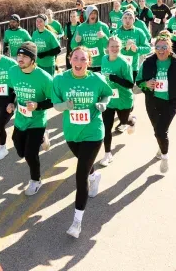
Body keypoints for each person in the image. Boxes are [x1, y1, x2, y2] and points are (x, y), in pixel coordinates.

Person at [52, 46, 113, 238]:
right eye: (75, 58)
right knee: (86, 166)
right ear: (70, 59)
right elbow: (56, 105)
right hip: (72, 133)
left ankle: (77, 221)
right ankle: (94, 176)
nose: (79, 62)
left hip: (93, 132)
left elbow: (107, 93)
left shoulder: (96, 79)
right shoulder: (60, 80)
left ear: (89, 62)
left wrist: (103, 103)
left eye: (83, 59)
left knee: (80, 175)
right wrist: (66, 105)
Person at [136, 31, 176, 173]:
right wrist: (146, 83)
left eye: (164, 47)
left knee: (161, 130)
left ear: (169, 49)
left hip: (171, 102)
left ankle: (164, 157)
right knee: (159, 131)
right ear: (154, 48)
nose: (161, 50)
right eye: (158, 47)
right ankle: (161, 144)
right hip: (152, 101)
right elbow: (138, 81)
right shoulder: (148, 62)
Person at [7, 42, 53, 196]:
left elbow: (54, 100)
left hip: (37, 121)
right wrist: (10, 103)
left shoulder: (44, 77)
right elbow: (11, 89)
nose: (20, 59)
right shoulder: (13, 71)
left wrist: (38, 105)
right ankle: (42, 139)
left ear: (33, 59)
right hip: (20, 119)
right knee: (19, 149)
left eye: (25, 56)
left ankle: (36, 180)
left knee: (29, 154)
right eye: (19, 55)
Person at [100, 37, 136, 167]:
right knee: (106, 127)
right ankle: (107, 154)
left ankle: (132, 121)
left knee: (124, 121)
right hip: (109, 99)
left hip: (123, 98)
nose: (114, 49)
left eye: (117, 47)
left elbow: (130, 84)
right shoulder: (104, 59)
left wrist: (115, 78)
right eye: (112, 46)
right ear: (107, 48)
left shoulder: (124, 63)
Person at [70, 5, 110, 72]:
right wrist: (75, 41)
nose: (93, 15)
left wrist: (104, 37)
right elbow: (73, 47)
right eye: (91, 13)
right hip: (85, 63)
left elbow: (109, 46)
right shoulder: (80, 27)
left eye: (95, 13)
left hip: (100, 63)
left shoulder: (103, 26)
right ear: (87, 14)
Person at [114, 10, 151, 82]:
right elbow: (110, 49)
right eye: (125, 18)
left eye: (130, 18)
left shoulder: (139, 32)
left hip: (133, 67)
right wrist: (125, 48)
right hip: (119, 66)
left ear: (134, 20)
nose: (127, 20)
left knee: (130, 88)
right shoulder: (116, 33)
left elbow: (148, 48)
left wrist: (138, 49)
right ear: (121, 20)